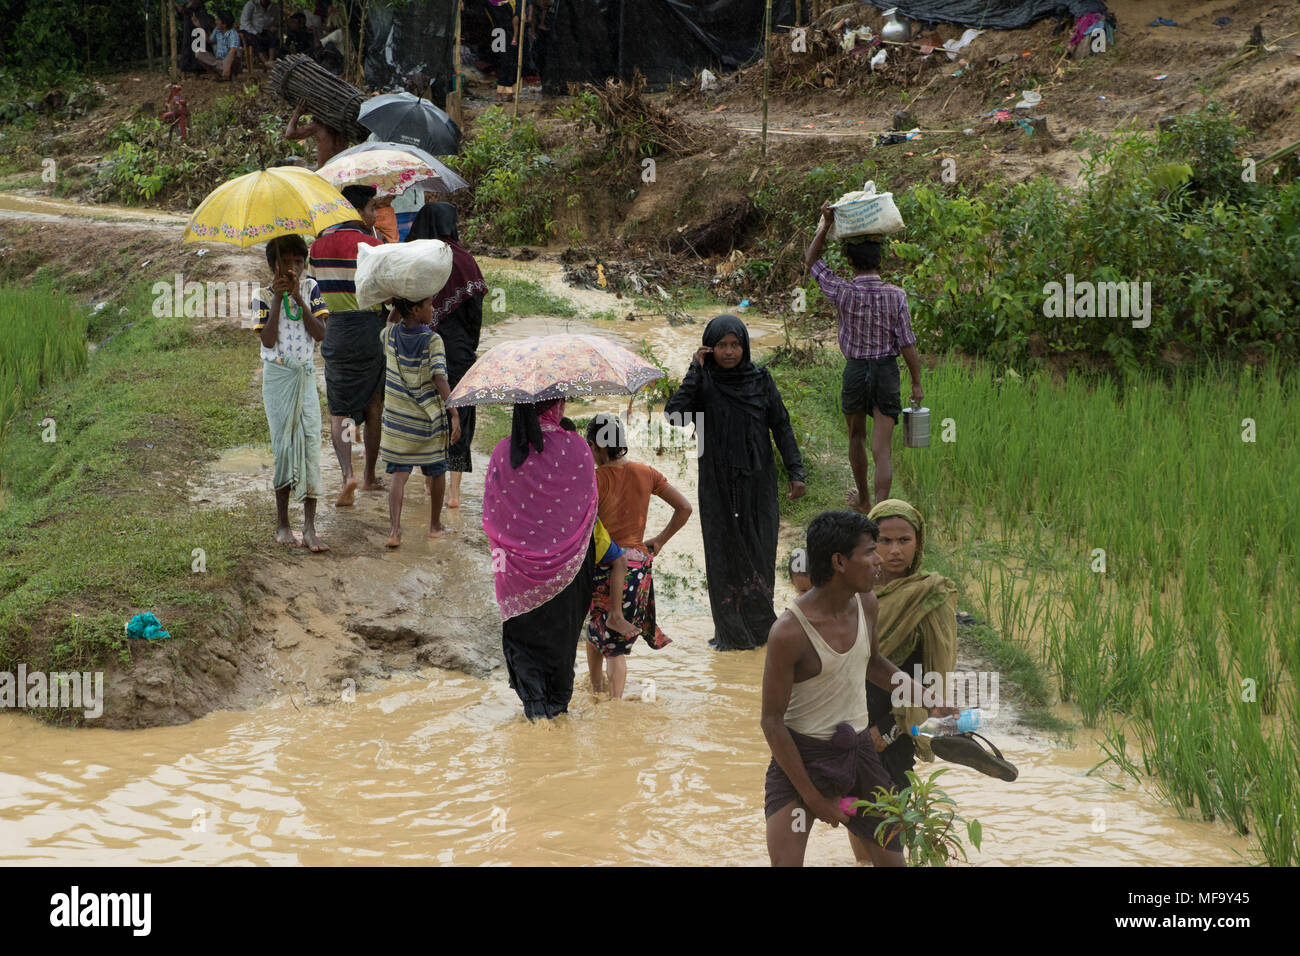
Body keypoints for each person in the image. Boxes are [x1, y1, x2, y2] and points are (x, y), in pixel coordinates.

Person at [761, 509, 958, 867]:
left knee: (893, 863)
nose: (878, 560)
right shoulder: (789, 632)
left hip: (858, 755)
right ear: (839, 562)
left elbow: (872, 663)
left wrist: (928, 699)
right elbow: (771, 723)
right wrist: (815, 800)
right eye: (869, 551)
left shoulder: (865, 603)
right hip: (801, 759)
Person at [663, 315, 806, 651]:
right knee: (723, 552)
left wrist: (796, 472)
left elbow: (781, 426)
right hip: (717, 486)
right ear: (708, 348)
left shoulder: (760, 379)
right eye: (721, 345)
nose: (728, 352)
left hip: (758, 482)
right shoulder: (704, 382)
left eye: (735, 345)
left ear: (744, 346)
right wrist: (694, 371)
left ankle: (760, 630)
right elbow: (674, 415)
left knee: (759, 549)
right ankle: (731, 635)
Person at [804, 203, 923, 514]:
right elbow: (907, 344)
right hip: (886, 372)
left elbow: (811, 260)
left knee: (856, 437)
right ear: (880, 261)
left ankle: (863, 500)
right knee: (882, 450)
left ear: (849, 263)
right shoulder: (896, 296)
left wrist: (826, 224)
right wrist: (917, 384)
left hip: (856, 371)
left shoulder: (844, 293)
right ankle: (880, 511)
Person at [483, 398, 596, 721]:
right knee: (563, 642)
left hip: (515, 569)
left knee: (522, 638)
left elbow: (492, 515)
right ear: (557, 406)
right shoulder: (577, 447)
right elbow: (588, 506)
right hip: (571, 568)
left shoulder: (503, 451)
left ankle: (534, 711)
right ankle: (557, 710)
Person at [582, 412, 692, 699]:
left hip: (605, 565)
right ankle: (600, 693)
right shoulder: (647, 473)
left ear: (595, 445)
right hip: (639, 567)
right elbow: (685, 508)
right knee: (606, 635)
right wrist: (660, 540)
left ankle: (611, 704)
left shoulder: (594, 480)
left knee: (602, 632)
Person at [307, 183, 386, 506]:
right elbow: (385, 290)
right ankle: (368, 476)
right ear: (357, 211)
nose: (375, 214)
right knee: (373, 403)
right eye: (371, 209)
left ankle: (346, 475)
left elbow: (314, 290)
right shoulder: (373, 245)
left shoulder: (317, 247)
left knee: (340, 410)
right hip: (370, 331)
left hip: (335, 329)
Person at [406, 202, 487, 508]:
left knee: (428, 411)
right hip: (460, 351)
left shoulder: (415, 260)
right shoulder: (467, 262)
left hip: (422, 348)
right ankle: (453, 493)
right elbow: (475, 313)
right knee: (460, 412)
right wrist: (469, 347)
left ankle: (429, 484)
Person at [251, 234, 329, 552]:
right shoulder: (261, 296)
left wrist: (298, 299)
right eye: (287, 263)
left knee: (310, 444)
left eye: (299, 262)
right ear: (274, 267)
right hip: (278, 379)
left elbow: (321, 333)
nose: (294, 268)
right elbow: (268, 341)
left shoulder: (311, 290)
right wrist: (278, 301)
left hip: (305, 376)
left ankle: (309, 528)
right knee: (283, 446)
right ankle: (283, 524)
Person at [380, 295, 460, 547]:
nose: (433, 308)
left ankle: (394, 531)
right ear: (416, 309)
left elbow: (387, 325)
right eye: (428, 305)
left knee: (399, 475)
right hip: (426, 421)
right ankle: (435, 527)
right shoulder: (432, 340)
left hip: (397, 421)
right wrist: (454, 410)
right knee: (437, 471)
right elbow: (439, 377)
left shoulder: (391, 336)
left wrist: (396, 306)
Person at [285, 99, 349, 169]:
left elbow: (289, 134)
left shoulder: (318, 126)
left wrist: (297, 113)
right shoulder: (346, 126)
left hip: (325, 172)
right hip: (342, 171)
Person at [484, 0, 519, 107]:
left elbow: (516, 21)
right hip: (498, 35)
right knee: (502, 64)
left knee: (509, 63)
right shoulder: (489, 4)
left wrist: (514, 37)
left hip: (507, 35)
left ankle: (508, 93)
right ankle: (501, 94)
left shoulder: (512, 3)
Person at [198, 9, 242, 81]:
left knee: (236, 54)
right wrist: (199, 26)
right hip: (218, 61)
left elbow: (232, 51)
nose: (216, 22)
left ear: (224, 24)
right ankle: (215, 74)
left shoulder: (233, 33)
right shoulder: (217, 30)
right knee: (199, 53)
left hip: (229, 61)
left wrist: (227, 67)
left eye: (218, 20)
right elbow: (210, 40)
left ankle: (231, 74)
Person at [240, 0, 280, 68]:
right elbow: (245, 22)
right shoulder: (251, 4)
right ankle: (265, 62)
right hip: (248, 31)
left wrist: (273, 27)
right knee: (255, 40)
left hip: (264, 31)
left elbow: (274, 21)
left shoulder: (274, 7)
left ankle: (271, 60)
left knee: (274, 38)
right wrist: (255, 32)